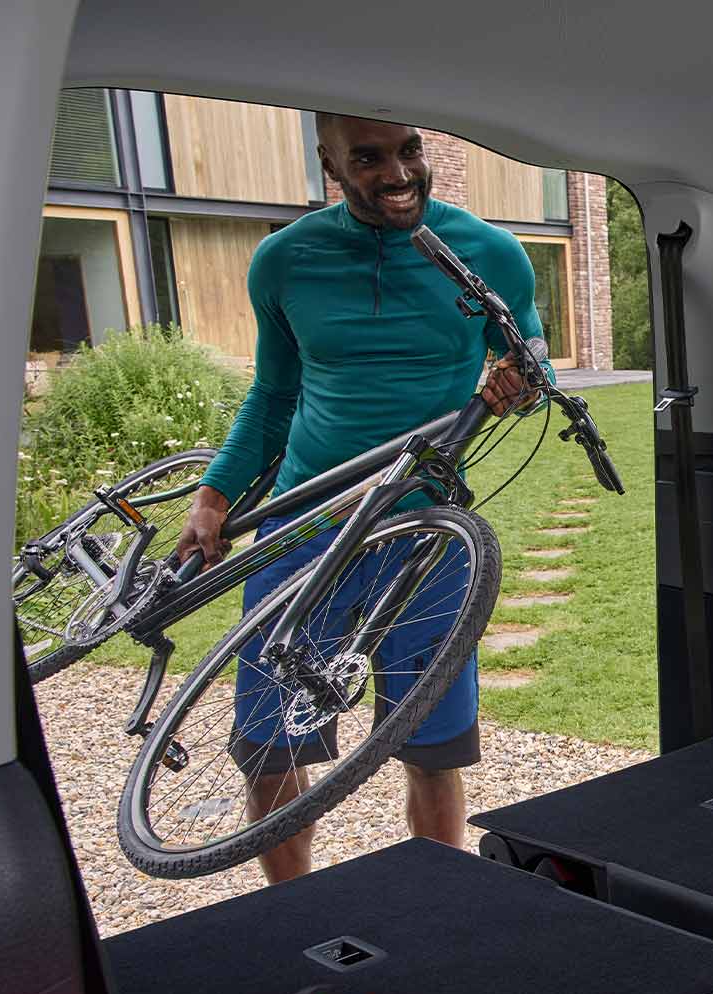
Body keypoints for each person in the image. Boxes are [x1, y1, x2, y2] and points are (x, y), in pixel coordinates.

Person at [176, 113, 548, 883]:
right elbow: (273, 395)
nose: (398, 174)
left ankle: (438, 903)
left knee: (432, 745)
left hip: (425, 530)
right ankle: (292, 912)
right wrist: (214, 496)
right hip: (304, 523)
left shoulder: (488, 252)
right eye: (369, 158)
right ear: (330, 164)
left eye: (408, 150)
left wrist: (521, 379)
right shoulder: (284, 261)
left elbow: (531, 356)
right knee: (271, 745)